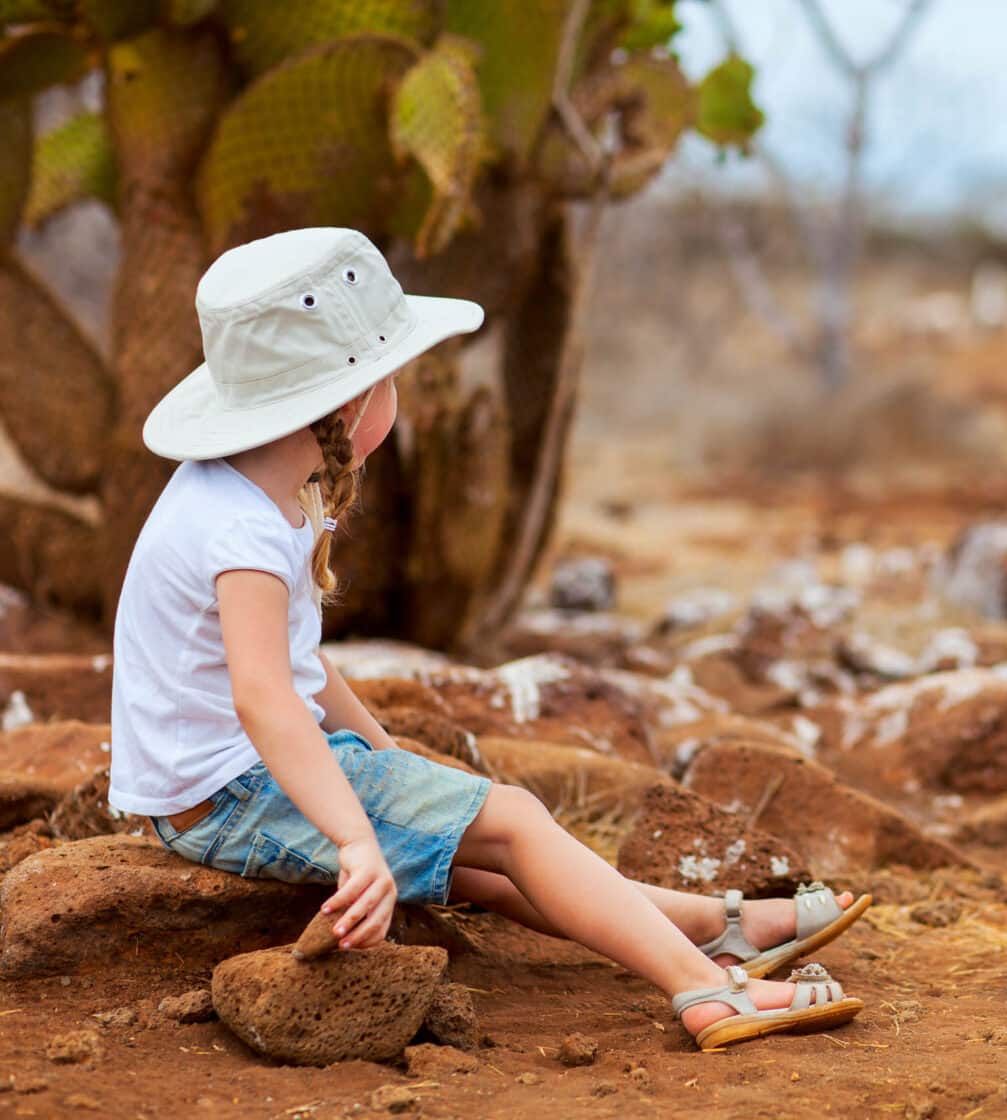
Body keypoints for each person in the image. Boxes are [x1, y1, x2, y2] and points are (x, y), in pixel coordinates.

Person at [106, 227, 870, 1051]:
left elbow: (301, 666)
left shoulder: (260, 487)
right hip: (229, 796)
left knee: (472, 854)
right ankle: (709, 990)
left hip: (220, 787)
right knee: (516, 820)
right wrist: (354, 836)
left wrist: (384, 755)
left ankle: (708, 928)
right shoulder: (240, 530)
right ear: (351, 404)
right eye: (391, 378)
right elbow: (263, 697)